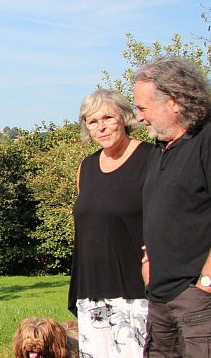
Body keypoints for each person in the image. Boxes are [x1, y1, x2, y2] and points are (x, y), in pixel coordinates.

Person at [133, 57, 211, 357]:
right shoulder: (161, 150)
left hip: (201, 301)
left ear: (175, 101)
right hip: (160, 298)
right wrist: (150, 267)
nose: (138, 117)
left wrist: (207, 283)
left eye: (143, 108)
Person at [69, 89, 152, 357]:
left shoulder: (152, 158)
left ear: (125, 117)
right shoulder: (87, 166)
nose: (101, 127)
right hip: (92, 288)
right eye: (92, 122)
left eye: (108, 117)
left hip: (135, 290)